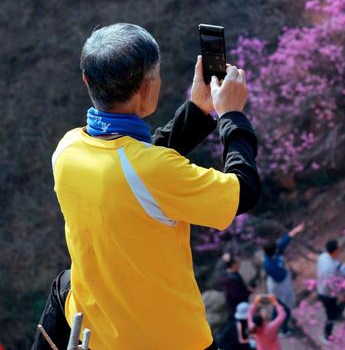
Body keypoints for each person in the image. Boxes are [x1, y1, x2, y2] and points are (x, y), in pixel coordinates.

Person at [32, 22, 260, 350]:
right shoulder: (152, 171)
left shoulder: (68, 149)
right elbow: (244, 191)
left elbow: (136, 162)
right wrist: (232, 117)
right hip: (174, 341)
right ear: (147, 86)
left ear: (86, 80)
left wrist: (197, 111)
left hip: (98, 330)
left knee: (65, 284)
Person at [262, 223, 304, 332]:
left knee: (279, 304)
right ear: (273, 252)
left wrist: (294, 231)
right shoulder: (269, 265)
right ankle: (283, 329)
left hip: (282, 282)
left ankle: (274, 321)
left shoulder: (273, 253)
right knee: (284, 306)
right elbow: (281, 276)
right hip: (279, 285)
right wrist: (289, 274)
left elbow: (283, 243)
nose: (278, 248)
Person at [316, 239, 345, 342]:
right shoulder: (331, 267)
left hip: (321, 289)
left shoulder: (322, 256)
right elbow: (331, 284)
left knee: (335, 308)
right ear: (335, 250)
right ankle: (327, 336)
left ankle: (336, 315)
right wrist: (339, 293)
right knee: (330, 315)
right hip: (327, 294)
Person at [215, 255, 250, 350]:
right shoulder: (233, 279)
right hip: (238, 307)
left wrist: (224, 260)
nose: (240, 265)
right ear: (233, 265)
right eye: (238, 263)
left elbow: (221, 268)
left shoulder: (226, 275)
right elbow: (237, 295)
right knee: (240, 330)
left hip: (232, 308)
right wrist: (248, 291)